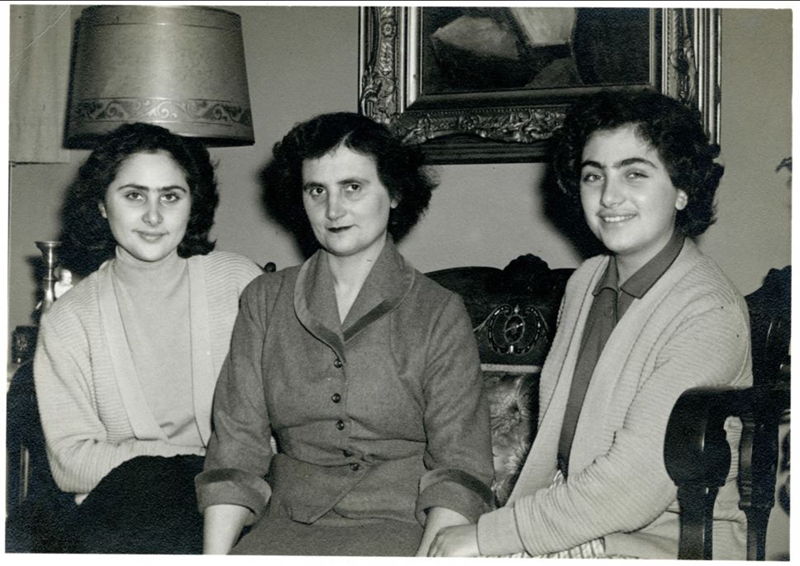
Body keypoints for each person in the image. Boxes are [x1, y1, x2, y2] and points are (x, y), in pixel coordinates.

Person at [429, 89, 752, 559]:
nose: (608, 196)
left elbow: (634, 485)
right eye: (592, 175)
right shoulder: (587, 282)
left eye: (634, 174)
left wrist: (489, 537)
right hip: (582, 525)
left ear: (683, 189)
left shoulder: (708, 311)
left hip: (664, 545)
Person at [195, 112, 494, 556]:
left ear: (393, 193)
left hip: (404, 529)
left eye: (352, 187)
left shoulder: (438, 311)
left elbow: (459, 469)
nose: (333, 210)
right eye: (317, 190)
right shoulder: (264, 300)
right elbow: (236, 451)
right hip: (286, 524)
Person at [31, 122, 263, 553]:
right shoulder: (69, 319)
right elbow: (71, 462)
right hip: (128, 513)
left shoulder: (238, 283)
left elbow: (280, 427)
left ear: (192, 204)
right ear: (102, 204)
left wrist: (168, 460)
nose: (154, 216)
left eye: (170, 196)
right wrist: (195, 461)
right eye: (134, 195)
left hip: (239, 503)